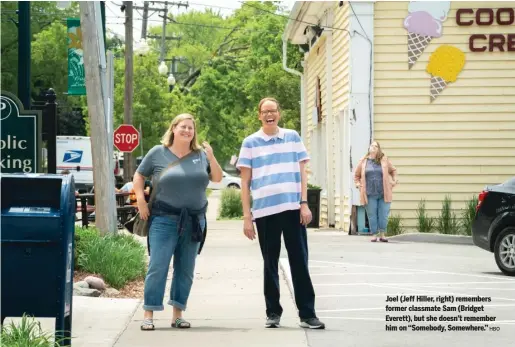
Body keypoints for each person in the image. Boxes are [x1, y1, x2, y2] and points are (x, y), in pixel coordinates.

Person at [236, 97, 325, 330]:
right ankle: (273, 312)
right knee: (270, 263)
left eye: (273, 110)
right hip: (265, 212)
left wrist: (304, 203)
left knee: (300, 262)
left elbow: (303, 173)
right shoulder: (250, 142)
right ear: (259, 115)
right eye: (265, 111)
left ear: (279, 113)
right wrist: (248, 217)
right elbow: (244, 183)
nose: (269, 114)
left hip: (293, 209)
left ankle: (308, 314)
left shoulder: (293, 137)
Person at [133, 113, 223, 331]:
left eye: (191, 128)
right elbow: (138, 176)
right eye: (183, 127)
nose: (187, 131)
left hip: (194, 221)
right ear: (173, 128)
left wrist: (211, 157)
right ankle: (149, 314)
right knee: (158, 266)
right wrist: (141, 202)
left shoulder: (200, 155)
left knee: (185, 269)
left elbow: (218, 178)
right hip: (164, 219)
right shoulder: (157, 153)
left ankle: (178, 314)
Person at [353, 141, 398, 242]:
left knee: (383, 214)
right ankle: (374, 234)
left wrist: (395, 180)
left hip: (384, 193)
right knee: (372, 214)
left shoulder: (384, 160)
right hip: (369, 193)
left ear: (378, 149)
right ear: (369, 148)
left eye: (375, 146)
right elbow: (356, 176)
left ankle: (382, 234)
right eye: (372, 145)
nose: (373, 147)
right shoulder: (363, 161)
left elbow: (393, 170)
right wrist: (357, 184)